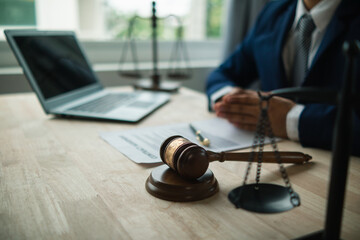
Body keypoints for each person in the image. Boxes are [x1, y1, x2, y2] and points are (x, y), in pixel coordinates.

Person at [206, 0, 360, 156]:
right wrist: (232, 101)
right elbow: (222, 74)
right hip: (273, 159)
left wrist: (291, 119)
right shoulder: (273, 11)